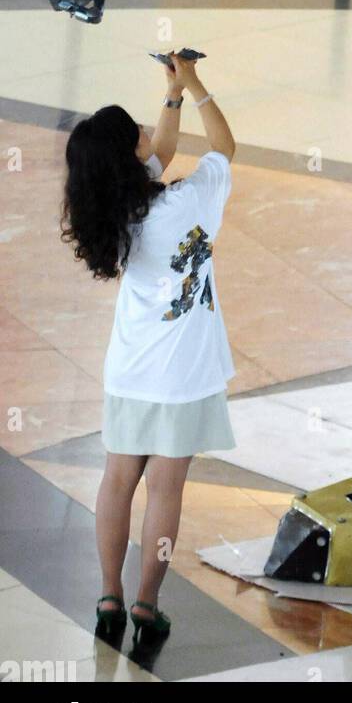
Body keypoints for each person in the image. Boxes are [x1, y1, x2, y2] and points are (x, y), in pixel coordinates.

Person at [61, 54, 236, 644]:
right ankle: (146, 602)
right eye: (135, 129)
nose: (147, 132)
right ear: (128, 153)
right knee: (165, 489)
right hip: (183, 376)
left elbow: (158, 146)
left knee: (117, 482)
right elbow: (224, 146)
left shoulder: (115, 209)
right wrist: (196, 82)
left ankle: (109, 595)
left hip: (130, 371)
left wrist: (173, 93)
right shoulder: (188, 202)